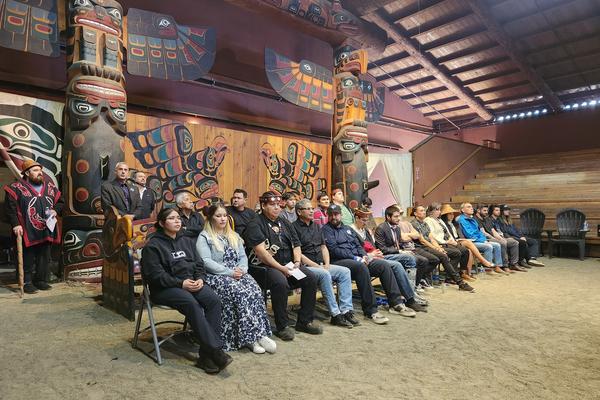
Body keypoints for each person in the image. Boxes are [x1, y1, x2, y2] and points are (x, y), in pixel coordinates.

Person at [141, 208, 231, 374]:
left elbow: (199, 265)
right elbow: (155, 276)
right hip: (165, 289)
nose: (177, 221)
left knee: (213, 300)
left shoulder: (187, 241)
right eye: (172, 218)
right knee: (191, 303)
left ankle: (205, 356)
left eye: (178, 218)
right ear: (161, 223)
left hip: (191, 283)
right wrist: (181, 283)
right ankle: (216, 350)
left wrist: (200, 279)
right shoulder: (153, 246)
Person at [196, 203, 276, 354]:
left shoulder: (233, 235)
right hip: (217, 275)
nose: (222, 219)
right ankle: (249, 339)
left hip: (238, 272)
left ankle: (260, 334)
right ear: (211, 218)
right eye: (218, 216)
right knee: (238, 293)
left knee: (255, 290)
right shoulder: (204, 236)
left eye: (224, 216)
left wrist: (243, 269)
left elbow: (242, 256)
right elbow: (206, 262)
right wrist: (229, 272)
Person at [243, 191, 321, 341]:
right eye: (272, 205)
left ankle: (304, 322)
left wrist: (297, 263)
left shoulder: (284, 222)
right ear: (263, 206)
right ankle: (282, 326)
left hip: (288, 265)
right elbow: (262, 254)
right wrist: (282, 269)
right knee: (280, 282)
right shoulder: (255, 224)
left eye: (278, 205)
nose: (277, 208)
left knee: (310, 278)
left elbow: (296, 245)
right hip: (265, 268)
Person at [323, 204, 418, 319]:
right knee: (360, 267)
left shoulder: (347, 229)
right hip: (339, 261)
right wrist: (356, 258)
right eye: (331, 215)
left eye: (336, 214)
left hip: (358, 259)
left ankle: (396, 303)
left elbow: (359, 245)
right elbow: (333, 250)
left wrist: (364, 256)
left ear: (341, 215)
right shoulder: (325, 230)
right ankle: (371, 310)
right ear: (327, 215)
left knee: (383, 265)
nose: (334, 217)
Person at [292, 199, 356, 328]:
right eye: (308, 209)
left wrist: (326, 264)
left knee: (345, 272)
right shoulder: (293, 227)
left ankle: (346, 311)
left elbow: (323, 247)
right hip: (306, 267)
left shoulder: (316, 226)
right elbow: (298, 253)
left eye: (312, 208)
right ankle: (335, 314)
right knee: (324, 274)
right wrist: (318, 267)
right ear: (299, 212)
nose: (311, 211)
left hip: (321, 264)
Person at [351, 206, 428, 311]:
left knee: (411, 260)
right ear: (356, 218)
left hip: (377, 255)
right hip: (368, 258)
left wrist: (375, 253)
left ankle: (409, 295)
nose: (366, 222)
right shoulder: (352, 230)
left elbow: (373, 246)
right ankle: (408, 299)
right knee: (398, 264)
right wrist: (372, 254)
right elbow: (358, 249)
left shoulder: (366, 231)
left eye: (368, 219)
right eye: (364, 220)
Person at [4, 159, 63, 294]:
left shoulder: (49, 187)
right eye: (36, 171)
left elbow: (61, 201)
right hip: (26, 229)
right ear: (27, 173)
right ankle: (27, 281)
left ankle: (40, 280)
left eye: (40, 171)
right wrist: (15, 224)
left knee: (44, 255)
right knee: (27, 256)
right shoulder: (15, 188)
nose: (39, 173)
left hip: (46, 228)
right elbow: (10, 209)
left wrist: (56, 210)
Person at [411, 205, 475, 292]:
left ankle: (422, 277)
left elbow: (431, 238)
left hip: (429, 246)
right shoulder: (414, 223)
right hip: (420, 247)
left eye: (424, 210)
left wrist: (438, 247)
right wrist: (436, 248)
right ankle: (460, 282)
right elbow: (422, 241)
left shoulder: (424, 223)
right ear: (415, 213)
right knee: (442, 257)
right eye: (421, 211)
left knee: (444, 256)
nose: (424, 212)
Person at [439, 204, 495, 274]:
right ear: (445, 215)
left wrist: (483, 240)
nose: (452, 215)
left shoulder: (455, 223)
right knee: (471, 243)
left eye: (452, 214)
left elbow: (478, 232)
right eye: (449, 214)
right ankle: (483, 261)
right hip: (451, 242)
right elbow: (468, 234)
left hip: (459, 240)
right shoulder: (445, 224)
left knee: (469, 251)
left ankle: (467, 273)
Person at [425, 203, 474, 281]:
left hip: (448, 241)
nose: (439, 212)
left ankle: (461, 272)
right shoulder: (428, 220)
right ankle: (450, 276)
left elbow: (447, 232)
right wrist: (446, 241)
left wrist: (452, 240)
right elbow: (433, 235)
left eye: (439, 210)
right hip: (440, 243)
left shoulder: (439, 220)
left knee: (465, 251)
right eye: (436, 210)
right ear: (431, 211)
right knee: (457, 252)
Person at [457, 203, 503, 271]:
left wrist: (484, 239)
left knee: (497, 245)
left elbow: (479, 232)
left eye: (471, 207)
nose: (472, 208)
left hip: (479, 240)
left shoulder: (472, 219)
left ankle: (497, 266)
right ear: (463, 210)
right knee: (488, 246)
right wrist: (482, 240)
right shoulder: (462, 220)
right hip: (472, 242)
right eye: (469, 207)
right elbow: (470, 235)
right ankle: (487, 268)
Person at [483, 204, 521, 273]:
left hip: (501, 236)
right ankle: (505, 266)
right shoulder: (488, 219)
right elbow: (493, 232)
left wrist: (504, 237)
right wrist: (501, 238)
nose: (499, 212)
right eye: (496, 210)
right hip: (492, 238)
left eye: (499, 210)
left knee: (515, 242)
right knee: (503, 242)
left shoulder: (498, 220)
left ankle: (513, 264)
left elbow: (501, 231)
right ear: (492, 211)